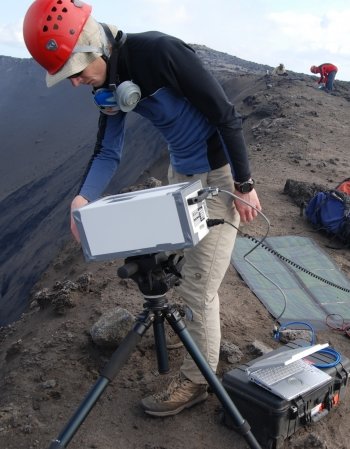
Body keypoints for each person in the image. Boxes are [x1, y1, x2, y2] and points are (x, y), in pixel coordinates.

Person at [23, 0, 261, 417]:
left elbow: (225, 115)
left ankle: (198, 381)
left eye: (75, 72)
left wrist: (245, 183)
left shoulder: (159, 53)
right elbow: (107, 153)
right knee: (182, 267)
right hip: (182, 175)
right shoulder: (106, 86)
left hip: (221, 176)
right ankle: (192, 337)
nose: (76, 84)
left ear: (94, 47)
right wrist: (83, 197)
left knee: (199, 286)